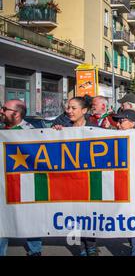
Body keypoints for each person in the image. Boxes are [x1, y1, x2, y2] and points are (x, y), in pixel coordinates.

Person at [53, 96, 99, 256]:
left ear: (84, 111)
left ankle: (92, 247)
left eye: (73, 108)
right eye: (68, 108)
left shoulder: (95, 128)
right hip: (70, 179)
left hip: (89, 178)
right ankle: (81, 248)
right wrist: (55, 133)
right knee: (75, 216)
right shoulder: (61, 126)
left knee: (89, 215)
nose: (69, 111)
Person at [0, 100, 43, 256]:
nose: (1, 111)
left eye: (5, 109)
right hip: (3, 185)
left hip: (25, 184)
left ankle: (35, 250)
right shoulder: (2, 129)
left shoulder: (30, 132)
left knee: (29, 216)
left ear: (16, 113)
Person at [111, 109, 135, 256]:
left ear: (132, 123)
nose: (118, 125)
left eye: (121, 121)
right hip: (122, 185)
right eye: (117, 122)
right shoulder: (113, 136)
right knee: (127, 218)